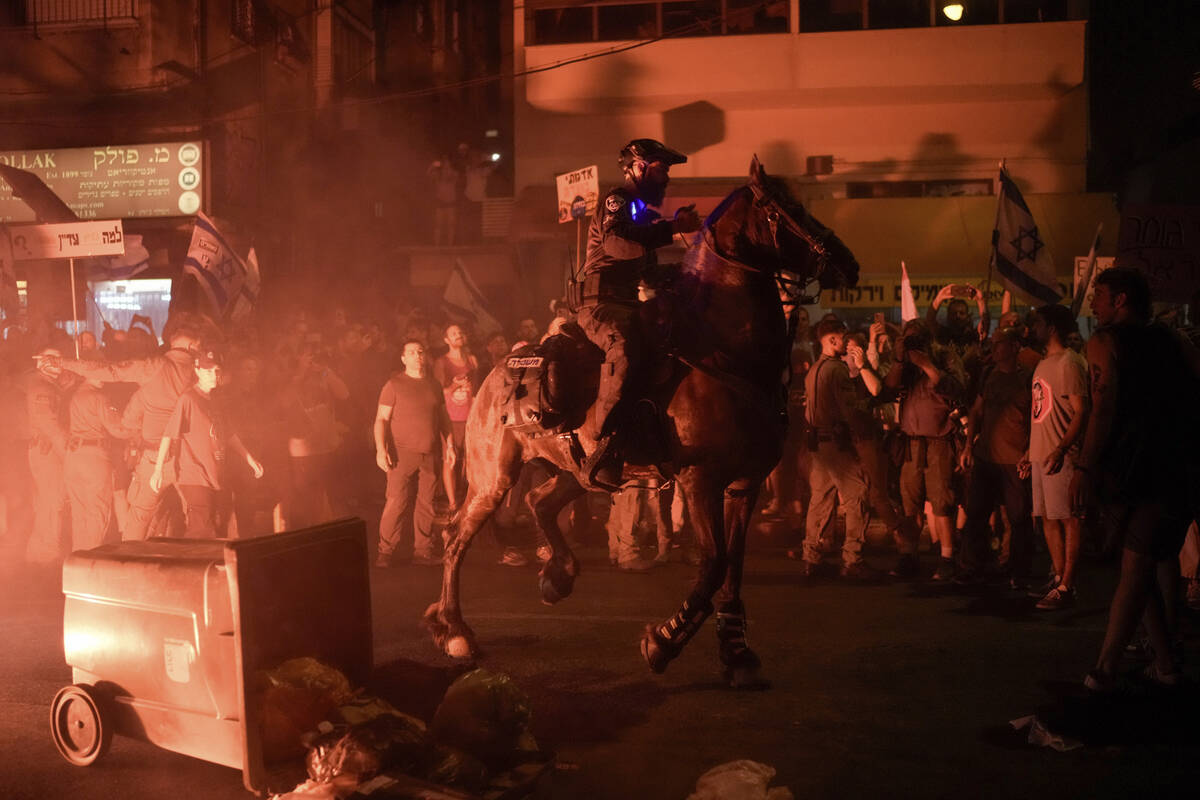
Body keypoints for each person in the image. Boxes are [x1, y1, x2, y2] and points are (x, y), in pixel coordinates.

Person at [1072, 268, 1199, 691]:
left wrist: (1085, 467)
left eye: (1100, 295)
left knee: (1134, 567)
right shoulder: (1176, 341)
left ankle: (1105, 669)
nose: (1094, 303)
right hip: (1176, 466)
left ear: (1121, 299)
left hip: (1134, 470)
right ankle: (1165, 663)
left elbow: (1102, 409)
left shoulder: (1105, 343)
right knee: (1140, 566)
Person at [576, 138, 701, 486]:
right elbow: (617, 245)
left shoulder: (644, 213)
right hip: (599, 304)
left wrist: (686, 278)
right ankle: (602, 444)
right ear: (638, 167)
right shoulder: (618, 200)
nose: (666, 177)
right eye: (662, 169)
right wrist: (671, 228)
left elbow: (646, 270)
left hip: (629, 303)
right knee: (624, 351)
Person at [58, 313, 210, 539]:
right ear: (192, 345)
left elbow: (111, 371)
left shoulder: (153, 367)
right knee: (198, 518)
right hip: (190, 458)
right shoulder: (203, 372)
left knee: (139, 515)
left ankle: (128, 563)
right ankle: (202, 569)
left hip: (154, 456)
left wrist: (64, 363)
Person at [796, 318, 878, 581]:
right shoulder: (837, 370)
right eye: (842, 337)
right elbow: (849, 410)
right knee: (858, 495)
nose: (846, 341)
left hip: (818, 445)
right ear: (832, 340)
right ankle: (852, 559)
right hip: (836, 444)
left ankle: (812, 558)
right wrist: (869, 413)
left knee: (820, 500)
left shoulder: (814, 370)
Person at [150, 350, 264, 538]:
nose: (213, 375)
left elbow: (228, 434)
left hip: (216, 474)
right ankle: (192, 566)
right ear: (197, 371)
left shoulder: (217, 400)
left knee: (219, 524)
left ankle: (210, 563)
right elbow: (169, 434)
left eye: (217, 371)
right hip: (194, 475)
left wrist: (249, 459)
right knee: (202, 527)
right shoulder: (188, 399)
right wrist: (158, 469)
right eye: (208, 371)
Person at [885, 320, 966, 581]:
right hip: (911, 443)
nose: (913, 344)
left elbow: (958, 389)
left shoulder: (943, 357)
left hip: (939, 442)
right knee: (910, 503)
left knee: (942, 501)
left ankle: (947, 558)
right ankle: (909, 555)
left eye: (917, 338)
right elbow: (888, 389)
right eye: (908, 339)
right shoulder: (905, 366)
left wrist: (927, 365)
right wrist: (900, 360)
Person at [957, 327, 1035, 587]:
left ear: (1014, 347)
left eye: (1000, 343)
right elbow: (976, 410)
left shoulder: (1028, 379)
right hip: (986, 457)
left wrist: (1029, 451)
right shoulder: (988, 375)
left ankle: (1018, 570)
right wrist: (969, 445)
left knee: (1018, 518)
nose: (995, 348)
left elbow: (1037, 419)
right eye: (994, 343)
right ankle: (972, 565)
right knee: (976, 514)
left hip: (1014, 459)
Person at [1027, 304, 1090, 609]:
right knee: (1049, 519)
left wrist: (1061, 448)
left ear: (1051, 327)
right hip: (1041, 455)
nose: (1032, 328)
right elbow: (1039, 413)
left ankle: (1069, 584)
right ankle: (1059, 578)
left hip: (1061, 455)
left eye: (1037, 323)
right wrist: (1030, 452)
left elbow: (1081, 411)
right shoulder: (1043, 364)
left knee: (1069, 519)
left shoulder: (1070, 362)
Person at [374, 340, 455, 567]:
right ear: (403, 358)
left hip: (430, 453)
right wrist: (381, 450)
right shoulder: (394, 384)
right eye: (411, 352)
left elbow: (443, 417)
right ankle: (385, 552)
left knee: (426, 503)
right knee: (396, 501)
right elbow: (381, 419)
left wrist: (450, 444)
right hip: (402, 453)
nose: (417, 356)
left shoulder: (434, 385)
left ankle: (423, 552)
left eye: (420, 351)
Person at [64, 378, 131, 550]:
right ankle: (91, 558)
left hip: (73, 456)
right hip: (94, 457)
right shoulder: (99, 397)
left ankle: (77, 559)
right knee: (97, 510)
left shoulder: (75, 395)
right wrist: (137, 430)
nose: (104, 377)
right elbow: (117, 429)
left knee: (79, 512)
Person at [25, 346, 76, 563]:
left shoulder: (47, 385)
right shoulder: (42, 388)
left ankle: (39, 552)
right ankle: (47, 554)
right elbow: (50, 424)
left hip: (48, 449)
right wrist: (68, 452)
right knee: (52, 501)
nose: (60, 364)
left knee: (50, 501)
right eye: (55, 360)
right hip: (47, 450)